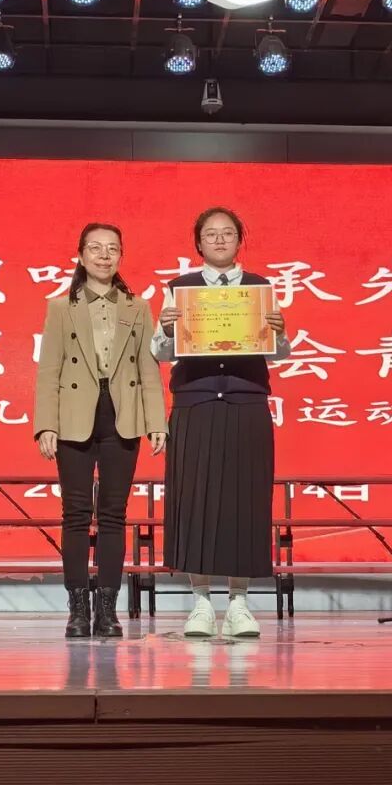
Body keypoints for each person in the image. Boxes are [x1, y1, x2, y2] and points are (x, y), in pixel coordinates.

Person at [152, 207, 289, 638]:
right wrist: (168, 331)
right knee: (194, 500)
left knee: (245, 500)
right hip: (195, 404)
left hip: (246, 403)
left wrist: (280, 332)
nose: (219, 240)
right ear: (198, 243)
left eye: (227, 233)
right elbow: (159, 353)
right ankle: (200, 604)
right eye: (211, 234)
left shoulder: (260, 288)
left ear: (238, 240)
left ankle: (239, 604)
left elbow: (278, 353)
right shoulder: (180, 290)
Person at [34, 223, 167, 639]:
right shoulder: (61, 307)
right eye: (96, 248)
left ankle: (107, 609)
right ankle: (77, 609)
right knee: (75, 514)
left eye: (112, 249)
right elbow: (49, 370)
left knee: (113, 514)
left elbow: (148, 368)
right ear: (81, 255)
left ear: (121, 255)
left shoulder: (137, 307)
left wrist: (156, 421)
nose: (104, 256)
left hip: (121, 413)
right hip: (74, 414)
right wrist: (45, 424)